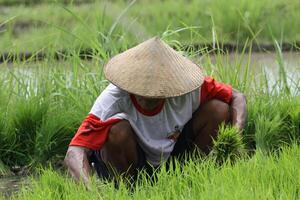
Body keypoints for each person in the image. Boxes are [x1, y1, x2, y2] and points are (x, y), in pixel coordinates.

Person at [64, 37, 247, 185]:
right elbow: (75, 152)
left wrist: (236, 134)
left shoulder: (189, 88)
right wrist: (91, 191)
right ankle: (128, 189)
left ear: (171, 82)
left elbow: (237, 97)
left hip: (173, 154)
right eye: (142, 89)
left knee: (218, 109)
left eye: (156, 90)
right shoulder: (112, 99)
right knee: (116, 132)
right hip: (132, 160)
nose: (147, 95)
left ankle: (193, 177)